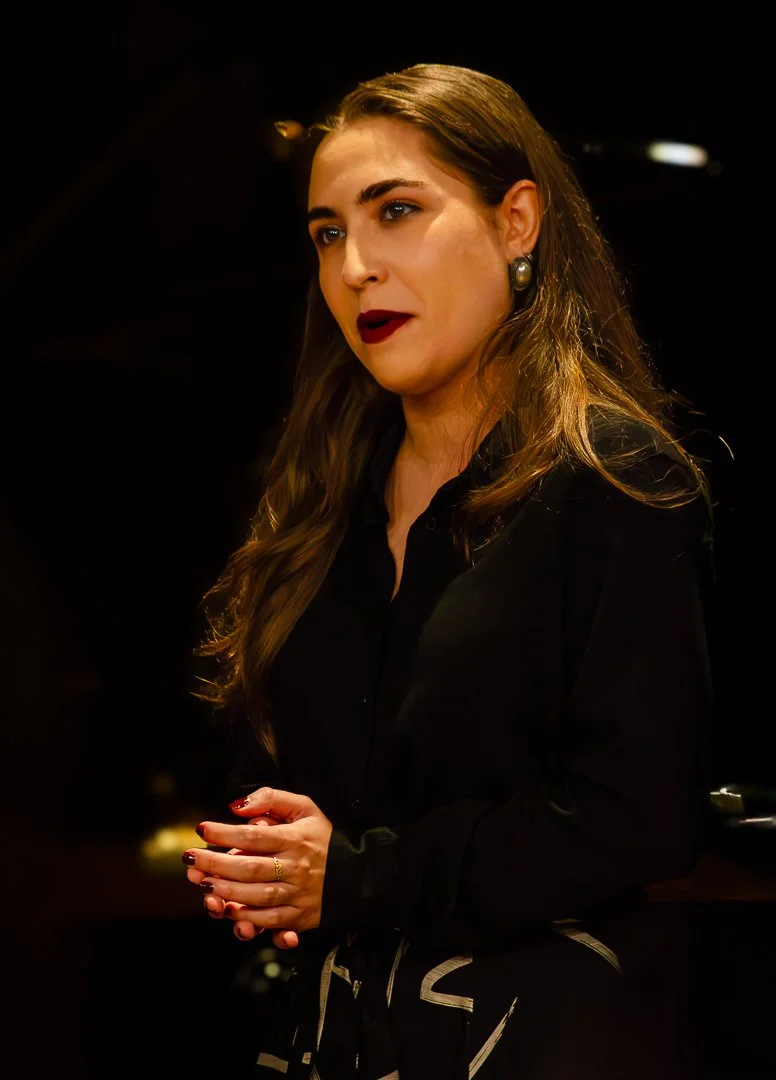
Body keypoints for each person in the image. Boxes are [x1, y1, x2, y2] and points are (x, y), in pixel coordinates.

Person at [184, 63, 714, 1079]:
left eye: (396, 212)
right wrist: (255, 866)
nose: (355, 269)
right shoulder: (317, 503)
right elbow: (272, 782)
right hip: (328, 1039)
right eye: (329, 233)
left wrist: (355, 877)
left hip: (529, 1038)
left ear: (517, 221)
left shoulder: (613, 482)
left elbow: (639, 815)